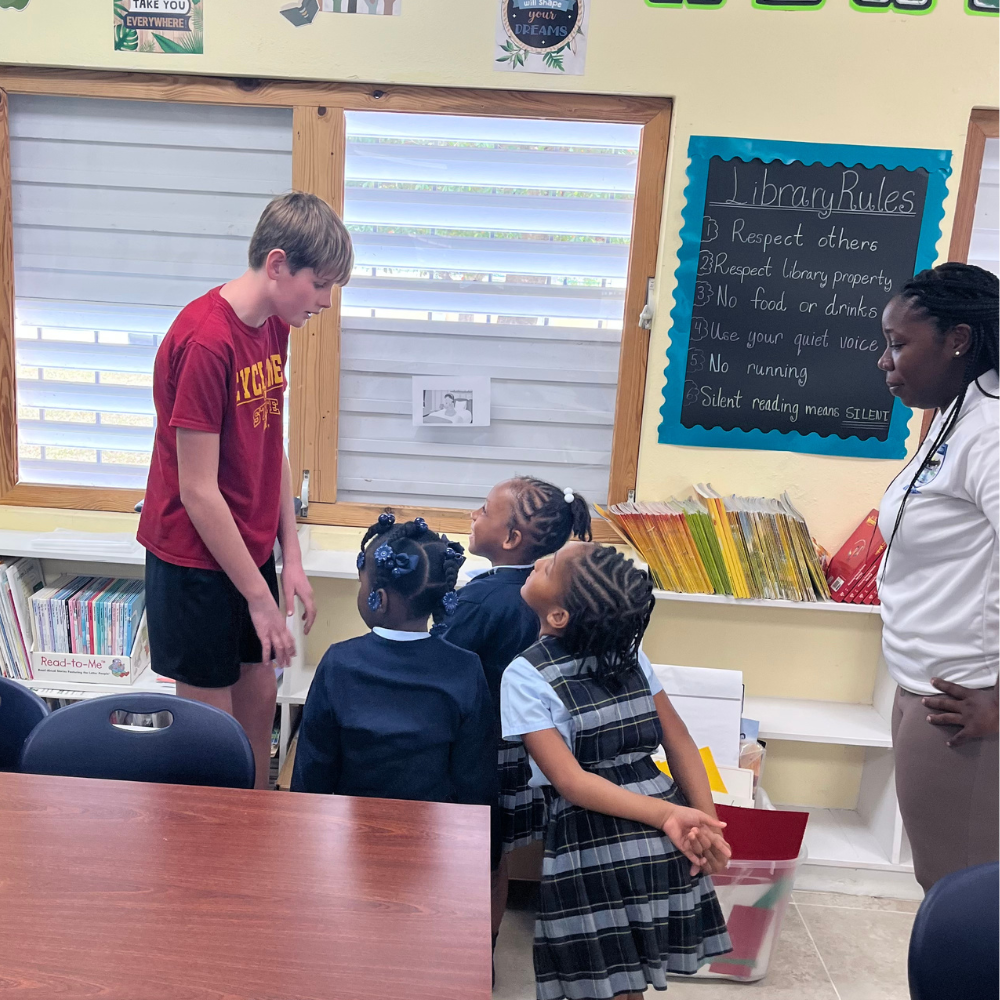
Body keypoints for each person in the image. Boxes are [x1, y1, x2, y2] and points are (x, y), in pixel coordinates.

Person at [138, 192, 354, 789]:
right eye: (320, 284)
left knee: (259, 715)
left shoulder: (275, 326)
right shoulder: (207, 341)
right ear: (278, 264)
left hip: (250, 554)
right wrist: (260, 598)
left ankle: (260, 831)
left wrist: (291, 559)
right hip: (194, 563)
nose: (325, 301)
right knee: (214, 746)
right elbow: (198, 490)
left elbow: (270, 444)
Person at [501, 541, 732, 1000]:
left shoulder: (525, 675)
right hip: (662, 833)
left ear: (559, 616)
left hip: (594, 842)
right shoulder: (630, 655)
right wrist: (704, 822)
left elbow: (571, 782)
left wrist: (678, 819)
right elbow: (680, 742)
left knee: (602, 982)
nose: (539, 561)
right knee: (627, 979)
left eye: (548, 566)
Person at [876, 261, 999, 891]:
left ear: (958, 340)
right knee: (943, 883)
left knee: (960, 896)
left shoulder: (992, 432)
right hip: (922, 683)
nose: (885, 361)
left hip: (966, 700)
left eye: (899, 344)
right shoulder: (957, 413)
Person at [439, 477, 592, 948]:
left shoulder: (484, 598)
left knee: (463, 858)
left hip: (478, 752)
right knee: (493, 857)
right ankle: (484, 952)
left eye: (484, 510)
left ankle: (453, 951)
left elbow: (439, 662)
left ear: (510, 538)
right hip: (523, 750)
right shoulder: (551, 594)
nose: (474, 515)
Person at [290, 513, 495, 806]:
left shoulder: (339, 663)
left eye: (362, 585)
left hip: (352, 825)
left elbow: (312, 772)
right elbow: (475, 781)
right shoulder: (466, 669)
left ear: (380, 600)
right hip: (434, 829)